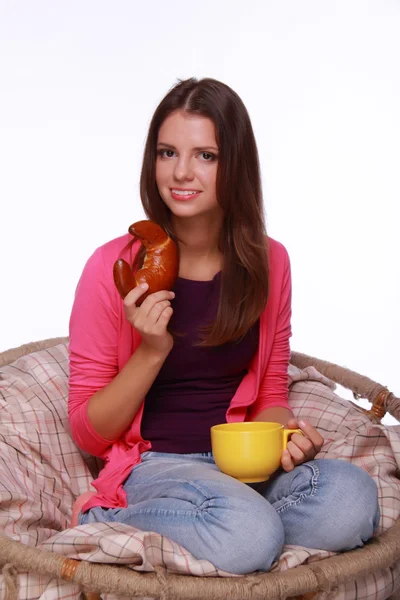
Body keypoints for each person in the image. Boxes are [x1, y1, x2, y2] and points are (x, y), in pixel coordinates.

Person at [68, 77, 380, 575]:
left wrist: (287, 435)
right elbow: (89, 431)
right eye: (167, 153)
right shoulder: (115, 268)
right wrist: (151, 351)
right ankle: (111, 517)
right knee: (246, 532)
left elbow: (271, 395)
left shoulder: (270, 262)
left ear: (235, 164)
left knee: (352, 498)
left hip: (240, 468)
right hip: (155, 466)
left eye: (205, 156)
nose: (182, 172)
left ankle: (238, 530)